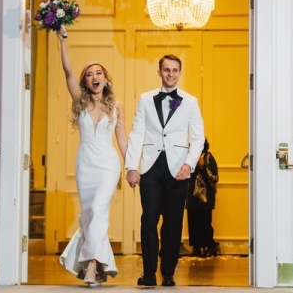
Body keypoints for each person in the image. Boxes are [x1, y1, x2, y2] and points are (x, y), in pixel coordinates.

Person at [56, 29, 128, 287]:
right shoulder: (80, 101)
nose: (94, 77)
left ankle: (90, 265)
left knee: (98, 210)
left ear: (105, 78)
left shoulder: (116, 106)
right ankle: (95, 265)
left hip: (108, 164)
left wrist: (131, 167)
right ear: (85, 81)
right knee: (89, 213)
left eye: (98, 73)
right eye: (89, 74)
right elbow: (67, 72)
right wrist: (62, 40)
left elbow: (121, 138)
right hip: (85, 162)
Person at [125, 54, 205, 287]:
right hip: (150, 167)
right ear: (159, 72)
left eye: (175, 70)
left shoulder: (190, 102)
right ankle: (149, 273)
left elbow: (198, 138)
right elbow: (137, 133)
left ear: (180, 72)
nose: (171, 74)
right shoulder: (145, 99)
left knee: (173, 222)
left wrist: (189, 164)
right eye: (166, 70)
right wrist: (131, 166)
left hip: (178, 167)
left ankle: (168, 272)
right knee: (148, 219)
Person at [186, 137, 219, 257]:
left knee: (205, 223)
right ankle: (196, 248)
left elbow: (214, 178)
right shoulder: (189, 158)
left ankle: (210, 246)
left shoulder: (209, 157)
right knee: (193, 222)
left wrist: (202, 166)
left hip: (206, 198)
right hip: (192, 197)